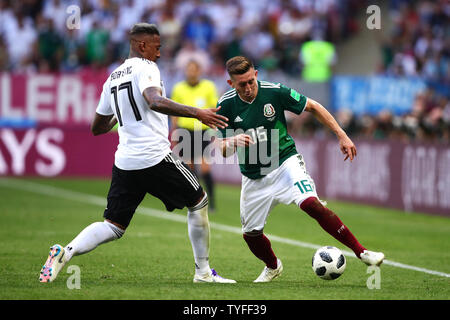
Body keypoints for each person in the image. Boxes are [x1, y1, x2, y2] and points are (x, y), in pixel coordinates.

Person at [39, 23, 235, 284]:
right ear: (142, 45)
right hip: (154, 157)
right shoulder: (147, 68)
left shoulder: (113, 77)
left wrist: (120, 115)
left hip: (125, 162)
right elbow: (154, 100)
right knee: (198, 201)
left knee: (113, 225)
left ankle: (67, 251)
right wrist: (197, 112)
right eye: (157, 47)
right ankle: (202, 273)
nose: (159, 53)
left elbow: (97, 127)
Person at [215, 56, 384, 282]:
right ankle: (273, 266)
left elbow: (313, 106)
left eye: (250, 81)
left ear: (256, 75)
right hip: (254, 177)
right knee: (251, 235)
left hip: (285, 162)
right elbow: (221, 149)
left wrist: (341, 135)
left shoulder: (274, 92)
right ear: (231, 84)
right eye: (241, 84)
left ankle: (361, 252)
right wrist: (231, 142)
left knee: (311, 204)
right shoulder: (225, 104)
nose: (248, 88)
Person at [170, 59, 218, 211]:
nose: (191, 72)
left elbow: (213, 108)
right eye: (189, 69)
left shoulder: (208, 87)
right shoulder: (178, 88)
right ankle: (197, 200)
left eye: (194, 69)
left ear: (199, 71)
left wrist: (214, 130)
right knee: (190, 169)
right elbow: (174, 113)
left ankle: (212, 201)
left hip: (202, 131)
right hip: (185, 132)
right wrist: (175, 133)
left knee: (205, 168)